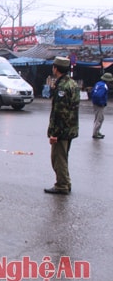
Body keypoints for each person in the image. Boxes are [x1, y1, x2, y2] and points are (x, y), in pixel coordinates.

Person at [44, 57, 80, 195]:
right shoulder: (72, 84)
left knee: (58, 158)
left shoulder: (62, 87)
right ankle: (66, 182)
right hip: (70, 128)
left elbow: (60, 113)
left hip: (62, 129)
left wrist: (55, 134)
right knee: (63, 157)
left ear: (56, 68)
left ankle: (62, 185)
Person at [91, 72, 113, 139]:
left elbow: (92, 92)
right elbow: (99, 95)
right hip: (99, 104)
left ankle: (97, 131)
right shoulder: (104, 86)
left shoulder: (98, 83)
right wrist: (101, 103)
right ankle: (95, 133)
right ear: (108, 81)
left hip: (95, 103)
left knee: (101, 118)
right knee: (99, 119)